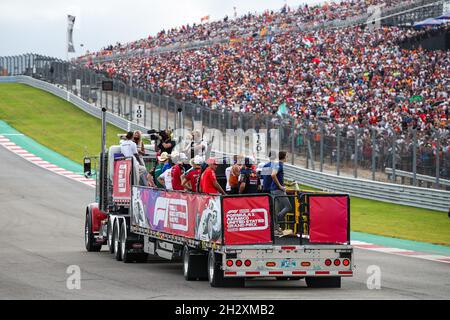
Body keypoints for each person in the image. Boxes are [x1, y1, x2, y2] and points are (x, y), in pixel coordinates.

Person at [270, 151, 292, 236]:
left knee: (276, 210)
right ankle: (278, 219)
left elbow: (276, 176)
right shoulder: (279, 164)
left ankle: (275, 228)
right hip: (278, 190)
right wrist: (280, 186)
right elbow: (273, 175)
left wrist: (284, 184)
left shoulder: (277, 164)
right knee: (288, 207)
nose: (287, 158)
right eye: (287, 156)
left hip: (274, 190)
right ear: (284, 157)